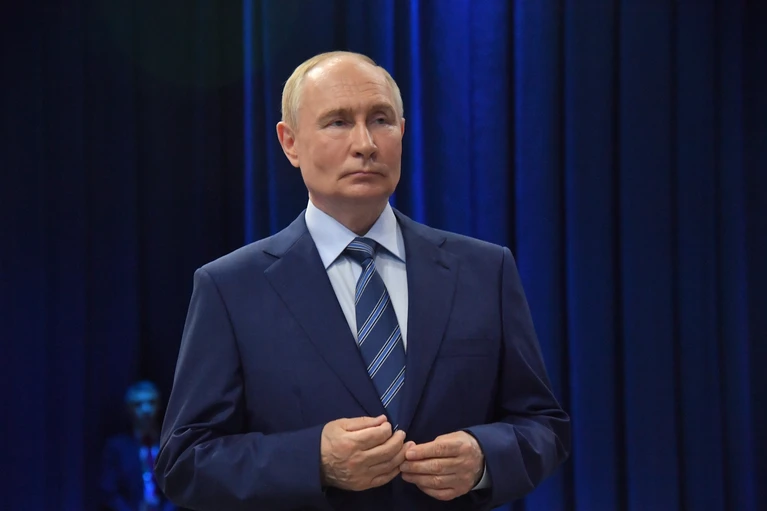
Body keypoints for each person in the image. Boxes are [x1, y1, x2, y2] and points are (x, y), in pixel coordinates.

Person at [154, 50, 570, 511]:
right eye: (337, 122)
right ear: (290, 143)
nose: (365, 144)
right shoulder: (230, 288)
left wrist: (484, 458)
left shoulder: (485, 270)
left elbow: (542, 425)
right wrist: (314, 461)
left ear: (402, 133)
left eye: (380, 120)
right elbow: (184, 462)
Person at [101, 381, 176, 511]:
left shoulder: (170, 444)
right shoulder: (117, 448)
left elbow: (180, 486)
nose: (146, 409)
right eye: (138, 404)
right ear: (129, 409)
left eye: (151, 402)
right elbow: (109, 492)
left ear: (159, 405)